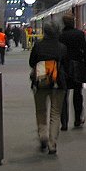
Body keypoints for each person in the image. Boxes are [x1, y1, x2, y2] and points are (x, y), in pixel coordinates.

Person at [28, 20, 68, 155]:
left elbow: (31, 62)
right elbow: (66, 65)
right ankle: (52, 144)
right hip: (58, 84)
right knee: (55, 114)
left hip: (40, 83)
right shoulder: (61, 47)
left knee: (40, 111)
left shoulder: (38, 46)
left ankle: (43, 135)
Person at [58, 13, 86, 130]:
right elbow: (85, 51)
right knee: (78, 94)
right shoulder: (79, 34)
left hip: (63, 68)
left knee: (63, 96)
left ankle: (64, 123)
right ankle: (77, 119)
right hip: (77, 67)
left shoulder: (60, 35)